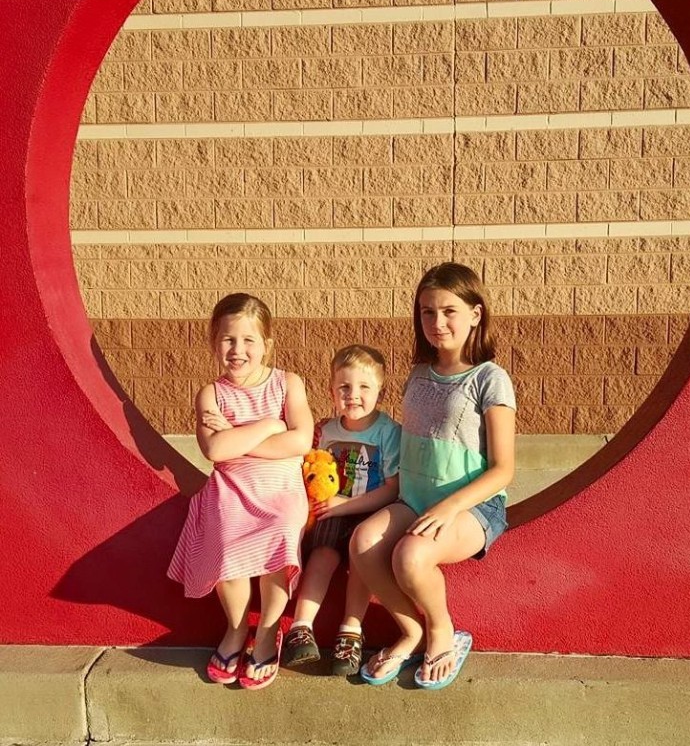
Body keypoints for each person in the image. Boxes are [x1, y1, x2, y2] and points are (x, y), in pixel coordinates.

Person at [350, 263, 516, 690]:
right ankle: (411, 631)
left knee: (411, 556)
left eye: (449, 311)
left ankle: (442, 630)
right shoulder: (418, 373)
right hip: (414, 501)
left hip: (472, 508)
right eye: (427, 312)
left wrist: (449, 507)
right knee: (363, 543)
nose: (437, 323)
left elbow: (504, 469)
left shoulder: (489, 379)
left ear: (476, 314)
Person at [167, 293, 312, 690]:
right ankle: (235, 629)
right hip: (233, 486)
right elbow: (215, 450)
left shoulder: (288, 383)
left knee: (282, 533)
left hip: (281, 485)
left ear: (267, 344)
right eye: (229, 340)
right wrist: (268, 426)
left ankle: (266, 631)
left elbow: (300, 441)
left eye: (249, 340)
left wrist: (237, 437)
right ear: (215, 343)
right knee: (226, 537)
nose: (239, 350)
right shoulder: (211, 394)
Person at [282, 345, 401, 676]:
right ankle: (301, 627)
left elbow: (391, 488)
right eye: (344, 387)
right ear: (331, 391)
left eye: (364, 387)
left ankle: (351, 630)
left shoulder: (389, 434)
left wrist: (345, 505)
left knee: (361, 555)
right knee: (322, 554)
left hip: (368, 511)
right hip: (332, 512)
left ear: (381, 390)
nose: (354, 395)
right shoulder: (326, 432)